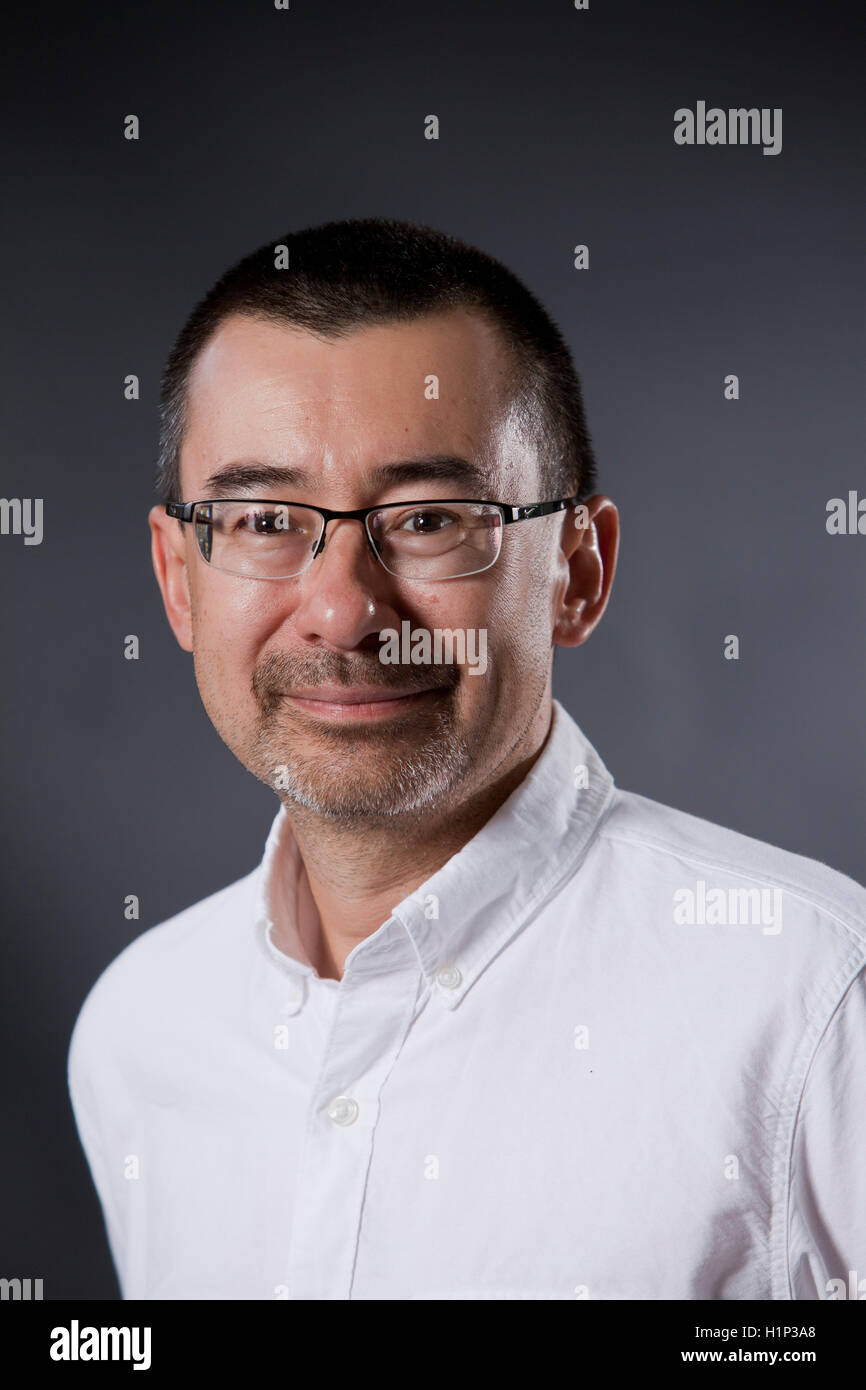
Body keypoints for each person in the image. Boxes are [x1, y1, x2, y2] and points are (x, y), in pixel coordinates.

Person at [68, 217, 866, 1300]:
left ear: (575, 572)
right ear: (177, 579)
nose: (345, 609)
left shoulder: (815, 1008)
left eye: (430, 518)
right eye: (262, 518)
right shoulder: (140, 1028)